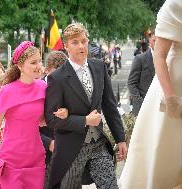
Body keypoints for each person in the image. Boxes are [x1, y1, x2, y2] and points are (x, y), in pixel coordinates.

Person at [44, 23, 127, 189]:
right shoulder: (57, 78)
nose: (81, 46)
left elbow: (109, 105)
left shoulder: (99, 67)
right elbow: (51, 119)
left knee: (110, 186)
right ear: (66, 46)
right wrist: (85, 120)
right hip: (71, 149)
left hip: (98, 143)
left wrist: (121, 139)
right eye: (75, 42)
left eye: (84, 41)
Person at [0, 41, 68, 189]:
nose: (38, 66)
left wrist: (62, 113)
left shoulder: (43, 87)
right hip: (11, 158)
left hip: (35, 157)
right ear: (20, 66)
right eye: (33, 62)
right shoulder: (6, 91)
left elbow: (44, 120)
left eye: (39, 61)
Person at [120, 0, 182, 188]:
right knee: (165, 152)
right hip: (174, 85)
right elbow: (159, 56)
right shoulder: (174, 5)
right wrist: (171, 99)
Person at [40, 51, 68, 189]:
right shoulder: (36, 90)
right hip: (42, 155)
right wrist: (48, 142)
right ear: (46, 70)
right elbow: (25, 126)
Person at [127, 32, 156, 116]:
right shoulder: (140, 59)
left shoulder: (167, 58)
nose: (157, 43)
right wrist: (141, 101)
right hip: (142, 109)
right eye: (154, 40)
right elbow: (131, 83)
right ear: (150, 41)